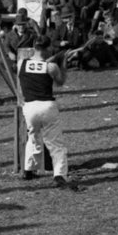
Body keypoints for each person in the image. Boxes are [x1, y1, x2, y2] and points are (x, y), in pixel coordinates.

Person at [17, 35, 74, 189]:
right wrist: (63, 63)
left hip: (29, 107)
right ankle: (59, 175)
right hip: (47, 106)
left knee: (33, 137)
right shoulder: (51, 67)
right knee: (55, 142)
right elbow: (60, 82)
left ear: (34, 47)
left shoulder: (21, 63)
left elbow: (34, 67)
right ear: (48, 48)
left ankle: (28, 169)